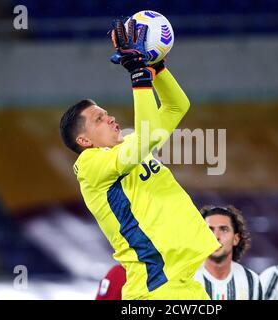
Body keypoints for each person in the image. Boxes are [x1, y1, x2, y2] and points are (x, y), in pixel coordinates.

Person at [59, 19, 220, 300]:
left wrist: (156, 68)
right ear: (83, 141)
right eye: (99, 118)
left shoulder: (131, 142)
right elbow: (146, 138)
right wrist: (138, 76)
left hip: (183, 283)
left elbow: (177, 106)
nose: (109, 117)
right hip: (155, 288)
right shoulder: (90, 167)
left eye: (106, 112)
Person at [194, 205, 262, 300]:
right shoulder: (186, 279)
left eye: (223, 230)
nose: (216, 236)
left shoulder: (251, 281)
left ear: (236, 239)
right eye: (209, 230)